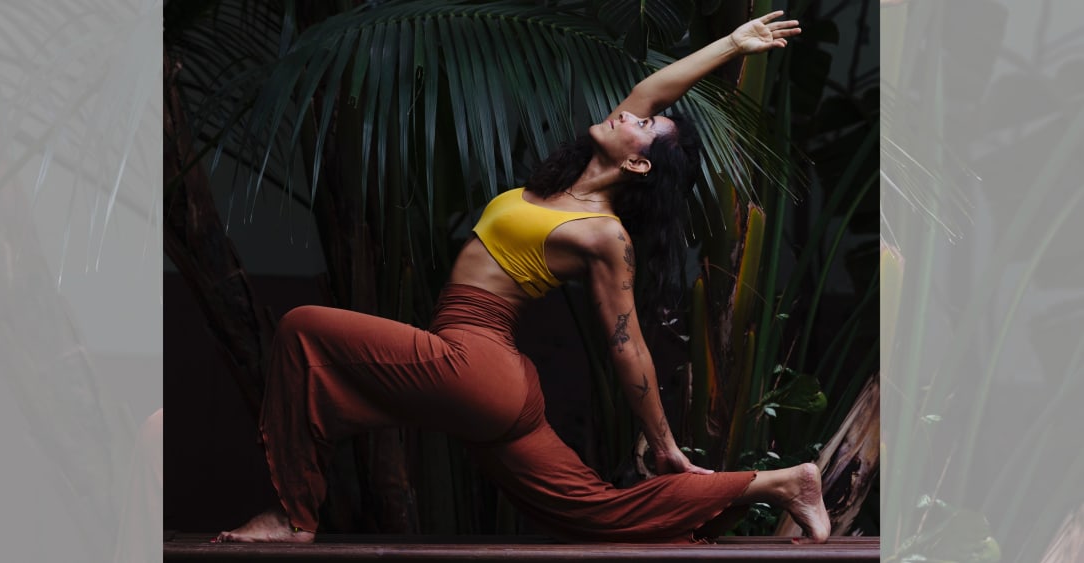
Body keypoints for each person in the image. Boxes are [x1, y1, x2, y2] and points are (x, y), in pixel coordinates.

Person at [216, 10, 829, 545]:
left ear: (639, 164)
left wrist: (665, 444)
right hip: (490, 378)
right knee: (593, 511)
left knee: (301, 328)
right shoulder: (565, 187)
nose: (629, 113)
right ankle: (781, 482)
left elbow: (628, 345)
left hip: (475, 363)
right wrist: (733, 43)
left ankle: (293, 517)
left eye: (644, 126)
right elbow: (649, 91)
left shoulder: (603, 233)